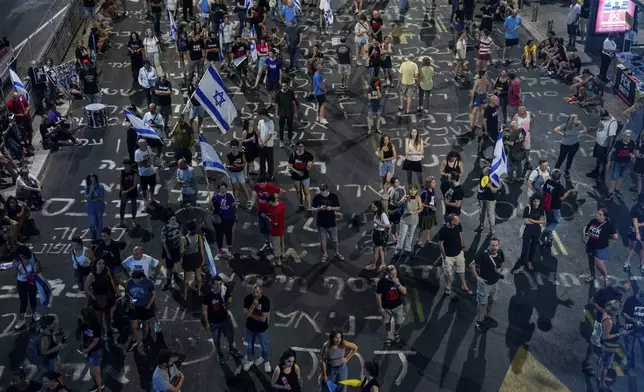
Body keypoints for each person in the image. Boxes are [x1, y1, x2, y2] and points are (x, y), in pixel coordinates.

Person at [582, 280, 630, 376]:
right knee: (594, 341)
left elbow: (619, 307)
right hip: (601, 321)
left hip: (611, 321)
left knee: (607, 343)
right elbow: (591, 302)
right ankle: (587, 363)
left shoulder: (620, 294)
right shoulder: (605, 291)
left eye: (625, 292)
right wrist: (603, 311)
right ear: (618, 287)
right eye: (623, 291)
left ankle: (603, 367)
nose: (623, 294)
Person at [202, 275, 244, 365]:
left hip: (225, 319)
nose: (218, 286)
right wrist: (207, 323)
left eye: (219, 284)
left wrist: (229, 302)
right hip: (214, 322)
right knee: (216, 340)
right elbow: (204, 309)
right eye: (216, 284)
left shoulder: (223, 291)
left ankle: (231, 348)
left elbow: (230, 297)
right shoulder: (208, 296)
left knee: (230, 336)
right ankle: (219, 354)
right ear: (212, 285)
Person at [471, 237, 505, 331]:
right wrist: (478, 278)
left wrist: (500, 270)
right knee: (482, 303)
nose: (494, 247)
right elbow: (472, 265)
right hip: (484, 284)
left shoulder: (501, 253)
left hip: (495, 283)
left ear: (499, 245)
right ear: (490, 245)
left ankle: (487, 315)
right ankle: (478, 320)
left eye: (496, 245)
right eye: (492, 245)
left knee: (491, 301)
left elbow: (501, 263)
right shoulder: (484, 255)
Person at [597, 300, 627, 390]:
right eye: (617, 311)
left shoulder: (609, 315)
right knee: (606, 365)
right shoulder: (608, 321)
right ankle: (602, 383)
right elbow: (605, 336)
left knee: (602, 361)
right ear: (613, 310)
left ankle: (600, 377)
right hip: (609, 346)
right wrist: (619, 334)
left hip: (607, 345)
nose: (619, 312)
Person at [84, 259, 117, 339]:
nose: (101, 265)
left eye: (103, 263)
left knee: (108, 314)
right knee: (99, 317)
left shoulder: (106, 271)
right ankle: (102, 333)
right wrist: (93, 297)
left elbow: (111, 281)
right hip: (98, 298)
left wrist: (114, 291)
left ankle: (109, 329)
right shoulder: (92, 275)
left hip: (107, 296)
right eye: (99, 263)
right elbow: (86, 288)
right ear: (95, 265)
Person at [243, 283, 272, 372]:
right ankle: (250, 360)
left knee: (265, 347)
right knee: (249, 346)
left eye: (257, 292)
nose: (255, 294)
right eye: (253, 292)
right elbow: (245, 315)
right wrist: (253, 306)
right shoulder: (248, 298)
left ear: (261, 291)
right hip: (250, 328)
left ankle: (266, 361)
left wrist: (250, 314)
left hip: (262, 329)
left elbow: (263, 319)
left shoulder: (265, 300)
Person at [125, 269, 156, 353]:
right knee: (133, 326)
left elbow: (153, 295)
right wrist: (130, 300)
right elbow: (127, 293)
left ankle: (145, 339)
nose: (134, 281)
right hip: (134, 306)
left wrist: (149, 305)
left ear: (141, 278)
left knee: (145, 325)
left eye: (136, 279)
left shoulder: (148, 283)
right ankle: (134, 340)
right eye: (133, 279)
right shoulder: (129, 282)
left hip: (145, 307)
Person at [541, 169, 574, 246]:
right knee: (556, 222)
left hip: (547, 205)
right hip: (555, 207)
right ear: (559, 178)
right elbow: (561, 198)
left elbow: (543, 191)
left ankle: (549, 238)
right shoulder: (558, 186)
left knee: (549, 222)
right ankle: (544, 233)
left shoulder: (548, 181)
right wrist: (568, 192)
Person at [583, 208, 617, 284]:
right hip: (590, 246)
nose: (597, 215)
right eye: (598, 213)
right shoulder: (593, 221)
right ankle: (592, 276)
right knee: (591, 261)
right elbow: (586, 227)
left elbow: (615, 236)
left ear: (604, 217)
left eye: (600, 214)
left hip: (600, 248)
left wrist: (607, 237)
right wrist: (584, 235)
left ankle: (606, 277)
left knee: (600, 265)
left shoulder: (608, 225)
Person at [12, 245, 43, 329]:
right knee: (23, 301)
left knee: (33, 298)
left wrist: (32, 274)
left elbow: (41, 268)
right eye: (21, 257)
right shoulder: (16, 261)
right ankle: (22, 320)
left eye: (24, 257)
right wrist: (16, 268)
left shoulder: (32, 257)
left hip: (32, 282)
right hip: (22, 283)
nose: (23, 258)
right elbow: (15, 274)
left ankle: (34, 313)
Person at [439, 213, 470, 296]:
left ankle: (463, 285)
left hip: (459, 253)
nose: (459, 220)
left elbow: (460, 234)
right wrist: (444, 256)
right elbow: (441, 243)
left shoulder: (458, 225)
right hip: (448, 256)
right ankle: (448, 286)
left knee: (461, 270)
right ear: (452, 222)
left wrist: (462, 246)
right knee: (448, 273)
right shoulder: (443, 230)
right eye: (457, 219)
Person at [512, 195, 545, 273]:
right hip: (527, 231)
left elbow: (543, 221)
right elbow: (526, 221)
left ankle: (529, 262)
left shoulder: (541, 209)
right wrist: (537, 221)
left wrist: (532, 221)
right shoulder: (528, 208)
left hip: (537, 232)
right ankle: (522, 265)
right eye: (535, 201)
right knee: (525, 249)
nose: (536, 203)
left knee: (533, 248)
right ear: (532, 201)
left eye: (538, 201)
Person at [376, 265, 407, 348]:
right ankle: (389, 335)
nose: (394, 275)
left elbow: (404, 292)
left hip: (398, 306)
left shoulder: (399, 279)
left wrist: (397, 284)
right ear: (387, 273)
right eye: (392, 274)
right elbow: (378, 295)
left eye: (395, 273)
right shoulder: (382, 282)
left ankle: (396, 332)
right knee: (387, 322)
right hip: (386, 307)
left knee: (398, 322)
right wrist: (380, 307)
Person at [312, 183, 343, 263]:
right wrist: (318, 209)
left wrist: (331, 208)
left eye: (324, 191)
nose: (323, 193)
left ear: (327, 189)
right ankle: (325, 254)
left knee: (335, 240)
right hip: (321, 223)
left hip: (331, 223)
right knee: (323, 240)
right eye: (321, 191)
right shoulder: (317, 197)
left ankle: (337, 252)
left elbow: (338, 208)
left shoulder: (333, 196)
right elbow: (312, 208)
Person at [587, 109, 618, 183]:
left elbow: (612, 137)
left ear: (603, 115)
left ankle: (602, 176)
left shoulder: (612, 123)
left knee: (603, 162)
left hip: (604, 146)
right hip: (599, 143)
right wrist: (593, 128)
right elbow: (600, 125)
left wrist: (609, 150)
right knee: (598, 158)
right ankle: (596, 171)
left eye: (599, 116)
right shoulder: (604, 118)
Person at [79, 307, 104, 392]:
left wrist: (87, 350)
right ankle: (98, 386)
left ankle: (99, 389)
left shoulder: (96, 326)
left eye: (82, 316)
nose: (81, 317)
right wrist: (82, 346)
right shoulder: (83, 323)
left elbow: (95, 341)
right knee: (93, 372)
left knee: (95, 374)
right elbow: (82, 334)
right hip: (88, 350)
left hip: (94, 351)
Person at [395, 184, 422, 257]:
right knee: (402, 236)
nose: (412, 191)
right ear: (409, 190)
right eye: (411, 190)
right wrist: (403, 199)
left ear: (416, 190)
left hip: (414, 220)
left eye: (414, 190)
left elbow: (421, 208)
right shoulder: (406, 197)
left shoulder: (418, 197)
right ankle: (397, 251)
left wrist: (414, 212)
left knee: (410, 235)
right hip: (405, 220)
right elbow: (398, 204)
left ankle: (407, 250)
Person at [180, 221, 205, 300]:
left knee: (186, 279)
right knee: (198, 276)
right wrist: (203, 259)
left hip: (188, 259)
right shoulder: (199, 237)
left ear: (187, 229)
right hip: (197, 257)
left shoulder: (184, 239)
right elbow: (201, 249)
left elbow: (182, 252)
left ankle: (185, 295)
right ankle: (198, 291)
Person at [607, 130, 635, 200]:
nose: (628, 138)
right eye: (626, 136)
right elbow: (612, 152)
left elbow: (632, 152)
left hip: (627, 163)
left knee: (621, 177)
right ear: (623, 136)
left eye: (629, 136)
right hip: (618, 163)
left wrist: (632, 155)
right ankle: (610, 193)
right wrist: (609, 161)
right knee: (614, 178)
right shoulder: (618, 143)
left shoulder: (632, 143)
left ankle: (616, 190)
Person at [212, 183, 237, 258]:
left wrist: (234, 205)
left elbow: (232, 205)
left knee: (229, 234)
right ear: (219, 189)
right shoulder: (215, 197)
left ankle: (230, 248)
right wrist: (211, 207)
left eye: (224, 188)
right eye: (221, 188)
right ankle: (220, 250)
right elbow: (212, 209)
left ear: (226, 189)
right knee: (219, 235)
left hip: (229, 220)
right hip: (219, 221)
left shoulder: (229, 196)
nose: (223, 190)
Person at [622, 288, 644, 373]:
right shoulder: (631, 300)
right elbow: (624, 313)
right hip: (630, 328)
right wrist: (635, 321)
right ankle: (629, 366)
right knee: (629, 350)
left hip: (642, 331)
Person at [289, 142, 315, 214]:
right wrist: (297, 172)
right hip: (296, 176)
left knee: (306, 192)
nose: (301, 148)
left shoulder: (307, 154)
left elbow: (313, 159)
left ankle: (309, 209)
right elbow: (290, 165)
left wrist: (310, 165)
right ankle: (301, 205)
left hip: (305, 176)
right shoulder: (293, 154)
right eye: (299, 146)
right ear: (297, 147)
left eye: (302, 146)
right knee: (298, 191)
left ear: (304, 147)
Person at [135, 139, 158, 209]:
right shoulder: (137, 153)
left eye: (146, 143)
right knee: (144, 188)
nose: (146, 145)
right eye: (144, 144)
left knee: (152, 186)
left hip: (152, 171)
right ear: (140, 146)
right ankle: (145, 200)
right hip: (143, 173)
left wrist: (154, 157)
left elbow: (152, 156)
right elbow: (139, 164)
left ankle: (152, 198)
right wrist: (147, 161)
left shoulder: (148, 148)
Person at [275, 80, 298, 147]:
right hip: (281, 113)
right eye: (282, 86)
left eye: (285, 86)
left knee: (290, 127)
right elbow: (276, 104)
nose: (284, 87)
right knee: (281, 128)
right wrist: (276, 114)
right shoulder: (278, 93)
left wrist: (296, 112)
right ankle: (281, 141)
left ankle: (290, 140)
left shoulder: (291, 92)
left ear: (287, 85)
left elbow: (294, 102)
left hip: (289, 112)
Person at [84, 173, 105, 242]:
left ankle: (100, 235)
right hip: (90, 207)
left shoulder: (100, 187)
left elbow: (101, 197)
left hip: (99, 206)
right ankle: (93, 234)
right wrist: (91, 190)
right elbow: (87, 198)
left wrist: (93, 199)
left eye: (93, 178)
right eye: (91, 178)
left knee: (99, 221)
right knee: (92, 222)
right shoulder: (87, 187)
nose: (92, 180)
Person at [626, 193, 644, 273]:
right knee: (632, 246)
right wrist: (637, 233)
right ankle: (628, 262)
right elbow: (635, 221)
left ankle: (642, 264)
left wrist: (641, 224)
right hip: (635, 229)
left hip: (642, 228)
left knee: (643, 247)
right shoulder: (635, 208)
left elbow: (638, 223)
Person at [119, 158, 139, 228]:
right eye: (124, 166)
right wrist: (122, 191)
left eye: (127, 165)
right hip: (124, 192)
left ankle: (133, 220)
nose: (125, 167)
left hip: (132, 192)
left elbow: (134, 185)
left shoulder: (134, 173)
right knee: (122, 207)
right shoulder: (122, 172)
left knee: (134, 207)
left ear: (130, 166)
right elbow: (121, 182)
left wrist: (126, 191)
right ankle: (121, 221)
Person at [257, 108, 275, 179]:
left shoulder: (271, 123)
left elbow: (270, 135)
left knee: (270, 161)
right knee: (261, 161)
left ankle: (271, 174)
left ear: (264, 115)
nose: (260, 117)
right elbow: (258, 131)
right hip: (261, 145)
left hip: (268, 145)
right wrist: (259, 140)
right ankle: (262, 174)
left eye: (261, 115)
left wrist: (263, 143)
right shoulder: (260, 122)